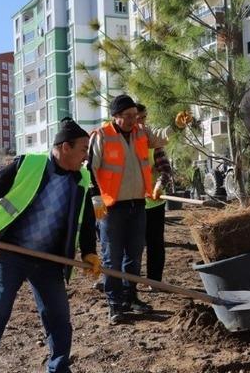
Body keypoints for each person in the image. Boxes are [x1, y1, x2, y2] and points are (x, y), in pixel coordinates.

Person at [0, 118, 101, 373]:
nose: (86, 156)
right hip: (11, 252)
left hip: (50, 260)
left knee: (59, 316)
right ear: (65, 147)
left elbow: (86, 221)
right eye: (83, 149)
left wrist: (90, 252)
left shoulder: (81, 179)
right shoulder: (29, 164)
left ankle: (59, 368)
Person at [88, 94, 193, 325]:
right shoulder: (102, 136)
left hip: (137, 204)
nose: (133, 120)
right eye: (128, 116)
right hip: (112, 207)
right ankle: (115, 304)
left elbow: (162, 138)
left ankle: (130, 296)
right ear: (115, 116)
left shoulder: (141, 133)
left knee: (134, 255)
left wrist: (176, 126)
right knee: (112, 257)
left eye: (135, 116)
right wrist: (96, 197)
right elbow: (90, 168)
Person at [136, 103, 173, 289]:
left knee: (155, 244)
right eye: (138, 118)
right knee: (132, 246)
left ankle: (154, 282)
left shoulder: (152, 142)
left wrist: (160, 184)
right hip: (131, 204)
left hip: (154, 203)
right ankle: (129, 283)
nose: (142, 123)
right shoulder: (120, 142)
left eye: (144, 118)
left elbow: (165, 169)